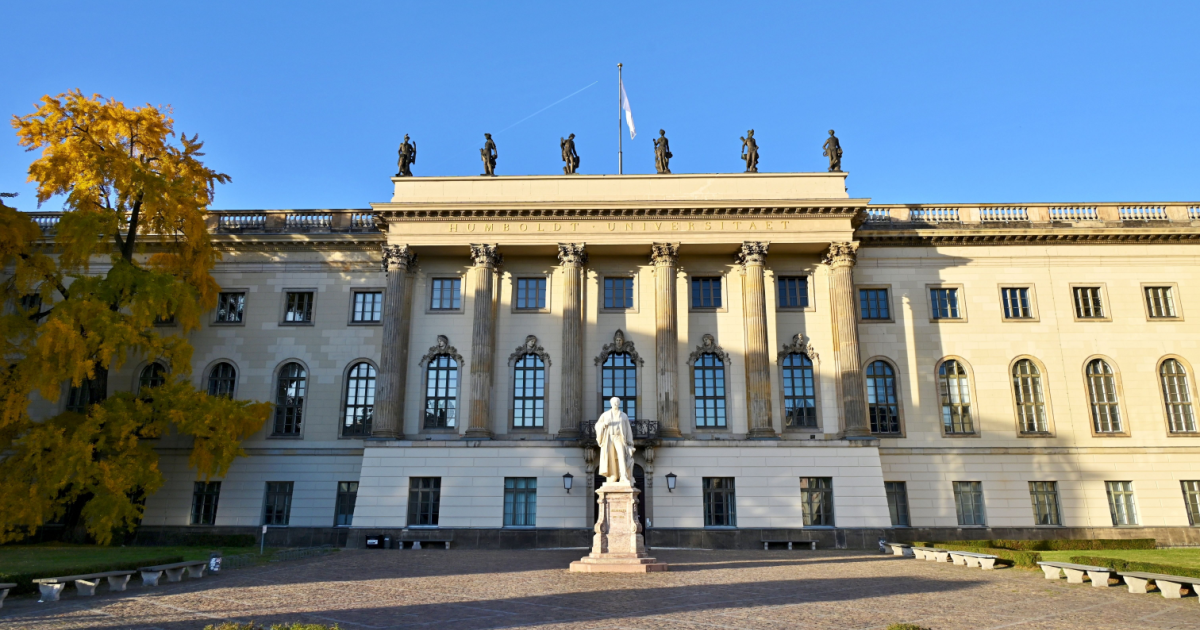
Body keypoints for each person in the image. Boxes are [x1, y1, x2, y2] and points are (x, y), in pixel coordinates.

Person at [595, 397, 634, 484]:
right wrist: (604, 424)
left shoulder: (623, 416)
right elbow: (597, 426)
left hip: (619, 437)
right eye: (614, 402)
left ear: (619, 404)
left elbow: (628, 430)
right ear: (611, 404)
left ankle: (623, 476)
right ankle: (613, 476)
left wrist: (630, 442)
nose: (615, 404)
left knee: (621, 456)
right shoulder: (605, 415)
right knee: (611, 457)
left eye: (617, 402)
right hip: (609, 437)